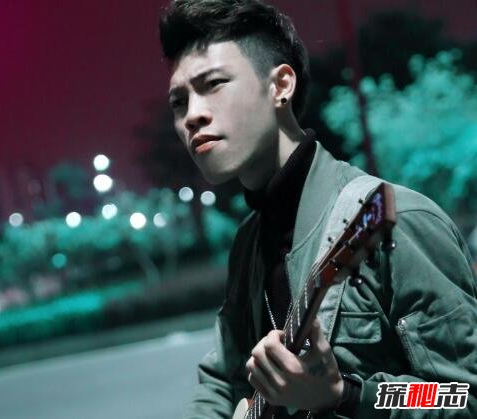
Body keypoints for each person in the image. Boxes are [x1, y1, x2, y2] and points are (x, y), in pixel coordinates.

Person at [158, 1, 477, 417]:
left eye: (213, 84)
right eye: (179, 102)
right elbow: (222, 383)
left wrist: (346, 394)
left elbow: (462, 398)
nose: (192, 116)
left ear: (281, 86)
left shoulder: (399, 220)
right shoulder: (249, 243)